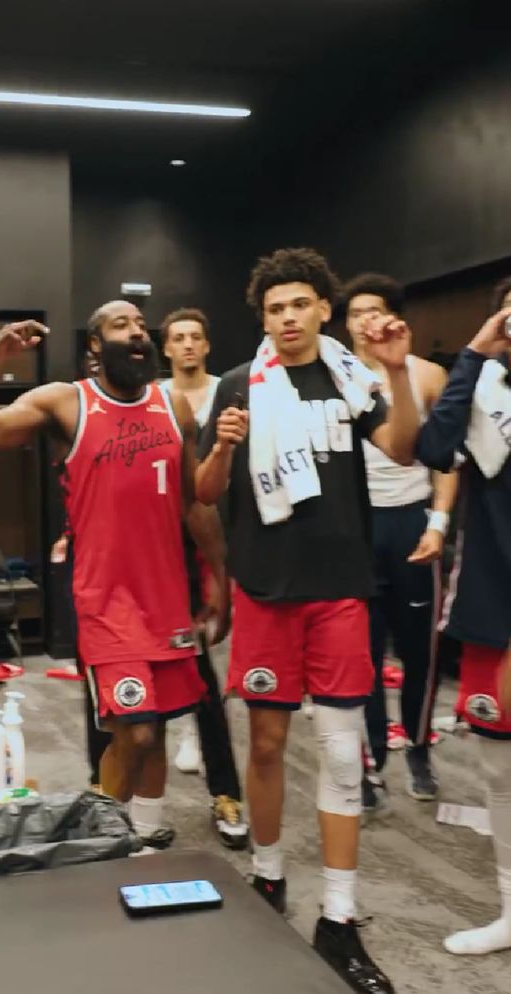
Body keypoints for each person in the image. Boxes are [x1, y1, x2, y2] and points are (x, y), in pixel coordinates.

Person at [196, 247, 420, 994]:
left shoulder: (353, 379)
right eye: (274, 309)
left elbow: (402, 448)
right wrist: (223, 446)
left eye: (299, 304)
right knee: (265, 743)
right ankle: (267, 876)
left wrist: (396, 372)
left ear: (324, 308)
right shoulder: (238, 385)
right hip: (265, 589)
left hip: (340, 590)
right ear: (262, 320)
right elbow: (204, 490)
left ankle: (340, 916)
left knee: (341, 751)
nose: (288, 318)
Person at [0, 303, 229, 819]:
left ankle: (144, 836)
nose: (136, 332)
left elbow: (195, 503)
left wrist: (220, 577)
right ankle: (101, 833)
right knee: (136, 730)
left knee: (156, 728)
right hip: (105, 601)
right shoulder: (66, 402)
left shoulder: (174, 407)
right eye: (120, 325)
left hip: (166, 598)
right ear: (96, 346)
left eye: (140, 325)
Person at [415, 283, 511, 957]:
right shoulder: (485, 389)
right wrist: (474, 354)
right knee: (499, 764)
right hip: (493, 594)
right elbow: (433, 445)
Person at [344, 273, 458, 805]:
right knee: (361, 654)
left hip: (412, 521)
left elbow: (447, 458)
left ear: (392, 318)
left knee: (419, 651)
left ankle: (417, 746)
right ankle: (370, 762)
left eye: (375, 310)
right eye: (356, 313)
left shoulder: (427, 375)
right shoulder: (336, 377)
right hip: (359, 525)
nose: (366, 320)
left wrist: (438, 523)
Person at [160, 307, 248, 849]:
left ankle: (225, 791)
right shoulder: (152, 397)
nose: (188, 345)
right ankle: (114, 799)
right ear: (167, 348)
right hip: (157, 544)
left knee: (202, 665)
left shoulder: (230, 391)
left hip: (214, 532)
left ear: (207, 344)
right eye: (179, 337)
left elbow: (208, 493)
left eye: (196, 336)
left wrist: (220, 569)